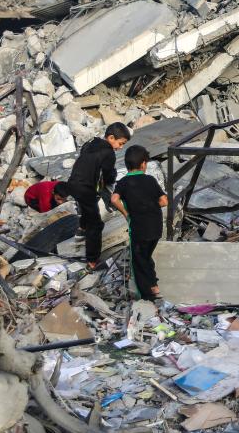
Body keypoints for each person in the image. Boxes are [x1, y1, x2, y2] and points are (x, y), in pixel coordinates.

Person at [68, 122, 130, 269]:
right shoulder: (108, 153)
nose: (120, 148)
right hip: (85, 188)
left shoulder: (91, 142)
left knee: (87, 209)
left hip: (73, 183)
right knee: (96, 224)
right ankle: (92, 260)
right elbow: (108, 176)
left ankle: (82, 228)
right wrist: (112, 180)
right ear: (111, 137)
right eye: (120, 144)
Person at [110, 145, 168, 301]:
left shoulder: (123, 182)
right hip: (156, 227)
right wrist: (150, 205)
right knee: (145, 255)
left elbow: (114, 199)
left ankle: (150, 295)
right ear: (143, 163)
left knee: (139, 260)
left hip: (139, 228)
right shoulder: (150, 179)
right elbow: (164, 201)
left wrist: (126, 213)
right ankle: (154, 286)